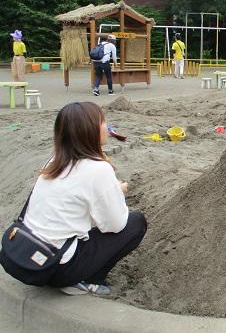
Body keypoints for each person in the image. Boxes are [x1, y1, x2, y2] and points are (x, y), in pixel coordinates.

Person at [22, 102, 147, 295]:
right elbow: (115, 225)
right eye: (103, 121)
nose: (107, 127)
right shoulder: (98, 169)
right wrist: (116, 192)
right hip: (56, 268)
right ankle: (87, 280)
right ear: (89, 130)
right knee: (136, 223)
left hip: (28, 254)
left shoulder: (54, 161)